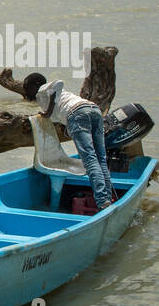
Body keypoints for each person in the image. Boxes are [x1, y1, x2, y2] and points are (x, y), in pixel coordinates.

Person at [21, 72, 114, 211]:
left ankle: (102, 201)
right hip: (94, 109)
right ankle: (107, 197)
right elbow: (59, 116)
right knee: (100, 157)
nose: (26, 92)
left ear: (36, 85)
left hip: (77, 113)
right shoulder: (51, 97)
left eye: (27, 88)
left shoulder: (43, 89)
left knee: (89, 158)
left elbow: (58, 83)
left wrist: (48, 111)